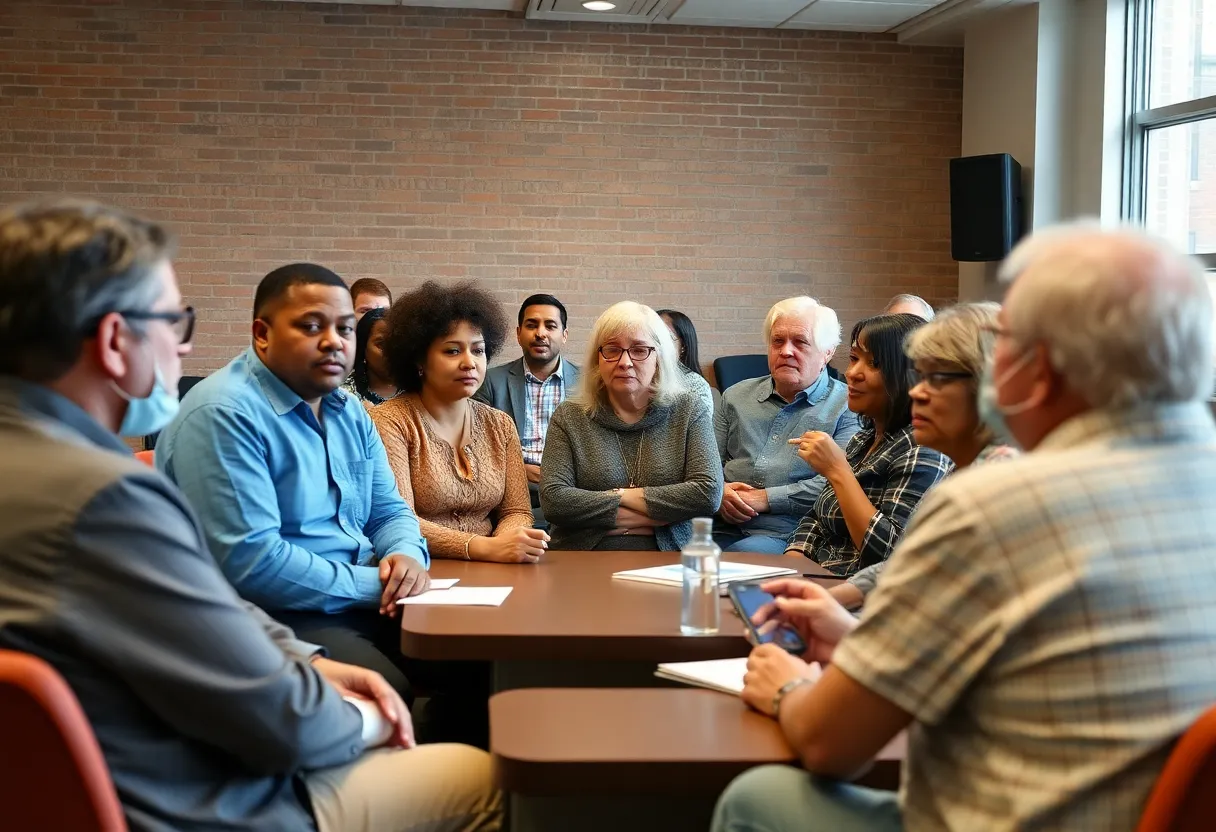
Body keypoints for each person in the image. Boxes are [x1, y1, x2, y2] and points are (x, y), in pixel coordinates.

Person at [0, 198, 500, 832]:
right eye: (174, 322)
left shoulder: (45, 467)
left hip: (127, 762)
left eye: (346, 327)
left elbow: (209, 616)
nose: (182, 351)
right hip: (202, 800)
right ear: (115, 341)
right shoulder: (107, 495)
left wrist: (306, 660)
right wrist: (367, 718)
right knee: (488, 778)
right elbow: (277, 717)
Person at [712, 223, 1216, 832]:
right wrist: (857, 639)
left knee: (756, 797)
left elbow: (830, 745)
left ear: (1039, 369)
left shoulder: (994, 504)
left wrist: (788, 688)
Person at [156, 263, 431, 703]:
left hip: (364, 598)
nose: (333, 342)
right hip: (274, 616)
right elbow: (253, 565)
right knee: (395, 689)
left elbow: (390, 511)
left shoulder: (349, 410)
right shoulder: (223, 414)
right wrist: (374, 587)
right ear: (262, 333)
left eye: (345, 328)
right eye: (310, 326)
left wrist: (405, 556)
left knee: (484, 658)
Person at [830, 301, 1017, 609]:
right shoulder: (965, 471)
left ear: (989, 383)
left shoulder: (991, 484)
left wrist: (839, 627)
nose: (915, 392)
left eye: (937, 378)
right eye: (919, 376)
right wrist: (833, 599)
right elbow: (910, 564)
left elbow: (933, 618)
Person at [371, 281, 546, 563]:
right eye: (452, 351)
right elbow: (396, 519)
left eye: (478, 350)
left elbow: (517, 511)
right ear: (419, 360)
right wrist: (482, 548)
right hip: (419, 567)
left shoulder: (499, 425)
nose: (470, 362)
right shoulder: (391, 421)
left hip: (495, 568)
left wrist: (504, 544)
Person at [540, 301, 724, 551]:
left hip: (672, 555)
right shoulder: (569, 416)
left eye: (639, 350)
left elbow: (708, 492)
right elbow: (554, 500)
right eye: (613, 350)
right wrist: (660, 513)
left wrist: (621, 496)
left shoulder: (690, 409)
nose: (625, 362)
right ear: (598, 359)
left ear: (659, 357)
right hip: (582, 556)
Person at [784, 314, 951, 575]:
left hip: (855, 592)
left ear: (910, 376)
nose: (852, 373)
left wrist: (838, 471)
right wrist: (794, 561)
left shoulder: (922, 448)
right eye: (853, 358)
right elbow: (817, 517)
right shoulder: (865, 438)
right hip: (814, 578)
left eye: (874, 363)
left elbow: (888, 554)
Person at [714, 297, 858, 555]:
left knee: (736, 559)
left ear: (828, 352)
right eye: (777, 341)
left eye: (800, 342)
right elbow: (706, 463)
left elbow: (840, 483)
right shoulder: (736, 396)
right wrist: (720, 490)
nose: (786, 351)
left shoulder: (848, 405)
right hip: (719, 523)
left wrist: (764, 499)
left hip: (791, 534)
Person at [473, 294, 580, 527]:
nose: (540, 333)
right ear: (519, 333)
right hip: (508, 494)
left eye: (550, 326)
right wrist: (518, 469)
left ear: (564, 335)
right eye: (532, 325)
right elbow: (473, 447)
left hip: (570, 493)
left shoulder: (587, 384)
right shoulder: (491, 381)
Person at [657, 308, 719, 414]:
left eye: (664, 338)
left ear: (683, 346)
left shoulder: (695, 386)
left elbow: (701, 429)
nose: (655, 345)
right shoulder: (636, 377)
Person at [342, 306, 399, 408]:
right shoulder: (343, 396)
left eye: (398, 342)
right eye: (381, 345)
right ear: (363, 347)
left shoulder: (422, 390)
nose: (392, 351)